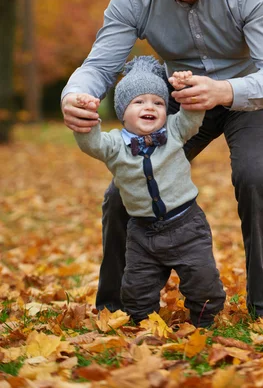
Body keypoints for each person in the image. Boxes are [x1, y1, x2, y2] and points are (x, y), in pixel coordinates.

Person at [62, 0, 263, 319]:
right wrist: (76, 95)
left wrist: (224, 90)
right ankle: (113, 306)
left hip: (250, 92)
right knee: (121, 192)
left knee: (255, 176)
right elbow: (100, 65)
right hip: (183, 97)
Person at [74, 56, 226, 327]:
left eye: (158, 102)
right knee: (136, 289)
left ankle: (204, 321)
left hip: (187, 226)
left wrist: (184, 90)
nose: (150, 107)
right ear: (122, 111)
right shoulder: (113, 145)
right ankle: (144, 323)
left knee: (202, 281)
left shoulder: (174, 131)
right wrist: (86, 115)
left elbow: (192, 117)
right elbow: (91, 143)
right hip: (142, 233)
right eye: (139, 102)